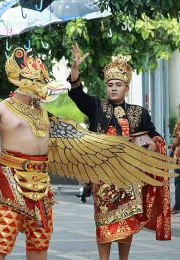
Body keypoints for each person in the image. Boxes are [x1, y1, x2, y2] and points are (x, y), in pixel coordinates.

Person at [0, 47, 178, 260]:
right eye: (37, 80)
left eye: (42, 79)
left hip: (41, 185)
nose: (42, 84)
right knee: (0, 244)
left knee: (40, 244)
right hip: (10, 183)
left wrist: (124, 151)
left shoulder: (44, 114)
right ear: (22, 82)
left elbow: (81, 140)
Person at [68, 44, 172, 260]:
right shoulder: (96, 107)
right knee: (104, 222)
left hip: (130, 178)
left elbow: (155, 137)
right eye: (110, 85)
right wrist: (75, 70)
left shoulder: (139, 113)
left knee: (127, 223)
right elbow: (77, 94)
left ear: (126, 88)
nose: (114, 88)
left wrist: (153, 145)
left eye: (118, 84)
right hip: (103, 176)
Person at [170, 104, 180, 214]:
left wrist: (172, 149)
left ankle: (177, 207)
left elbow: (176, 140)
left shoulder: (179, 124)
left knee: (178, 182)